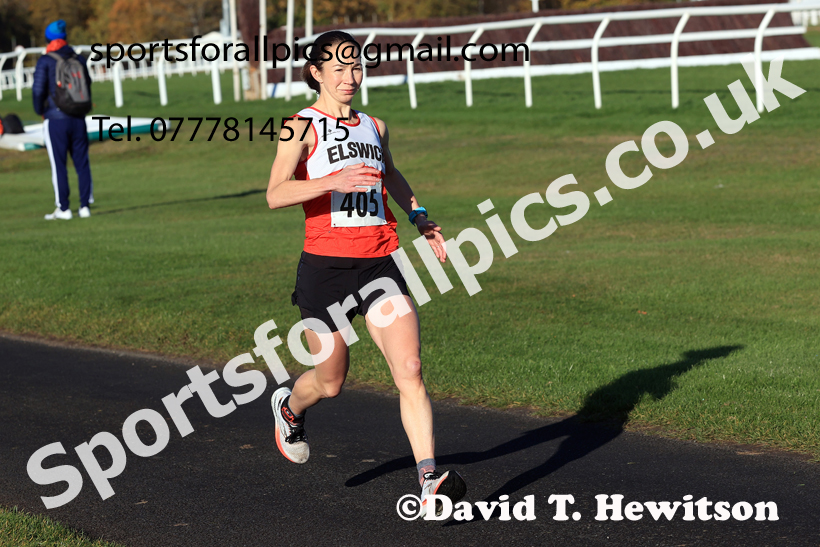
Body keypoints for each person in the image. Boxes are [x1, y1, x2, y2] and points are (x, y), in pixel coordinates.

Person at [265, 30, 466, 516]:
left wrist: (420, 218)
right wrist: (330, 181)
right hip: (325, 270)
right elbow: (275, 192)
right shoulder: (299, 126)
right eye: (338, 69)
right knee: (331, 382)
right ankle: (291, 408)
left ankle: (428, 478)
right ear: (316, 73)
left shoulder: (375, 126)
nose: (350, 77)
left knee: (411, 370)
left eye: (355, 67)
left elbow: (390, 175)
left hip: (381, 263)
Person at [32, 20, 94, 220]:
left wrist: (39, 110)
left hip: (56, 118)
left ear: (47, 39)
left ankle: (64, 208)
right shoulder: (78, 58)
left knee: (59, 165)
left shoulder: (46, 60)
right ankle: (85, 206)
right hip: (79, 117)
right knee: (82, 163)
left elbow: (38, 90)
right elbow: (87, 84)